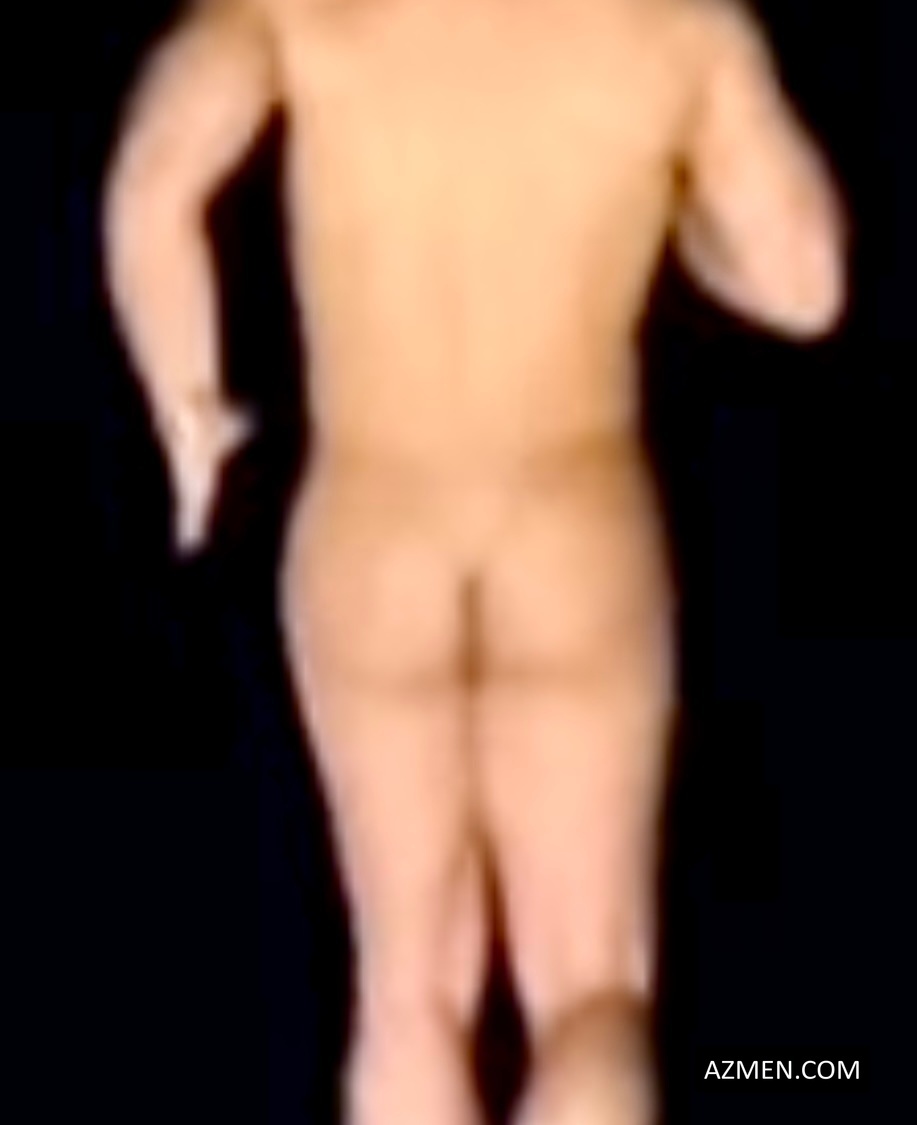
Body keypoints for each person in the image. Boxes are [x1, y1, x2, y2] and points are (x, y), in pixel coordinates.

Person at [103, 0, 846, 1121]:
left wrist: (188, 415)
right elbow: (806, 286)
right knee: (592, 983)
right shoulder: (676, 28)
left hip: (372, 526)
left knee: (407, 990)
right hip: (573, 521)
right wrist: (692, 238)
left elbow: (152, 183)